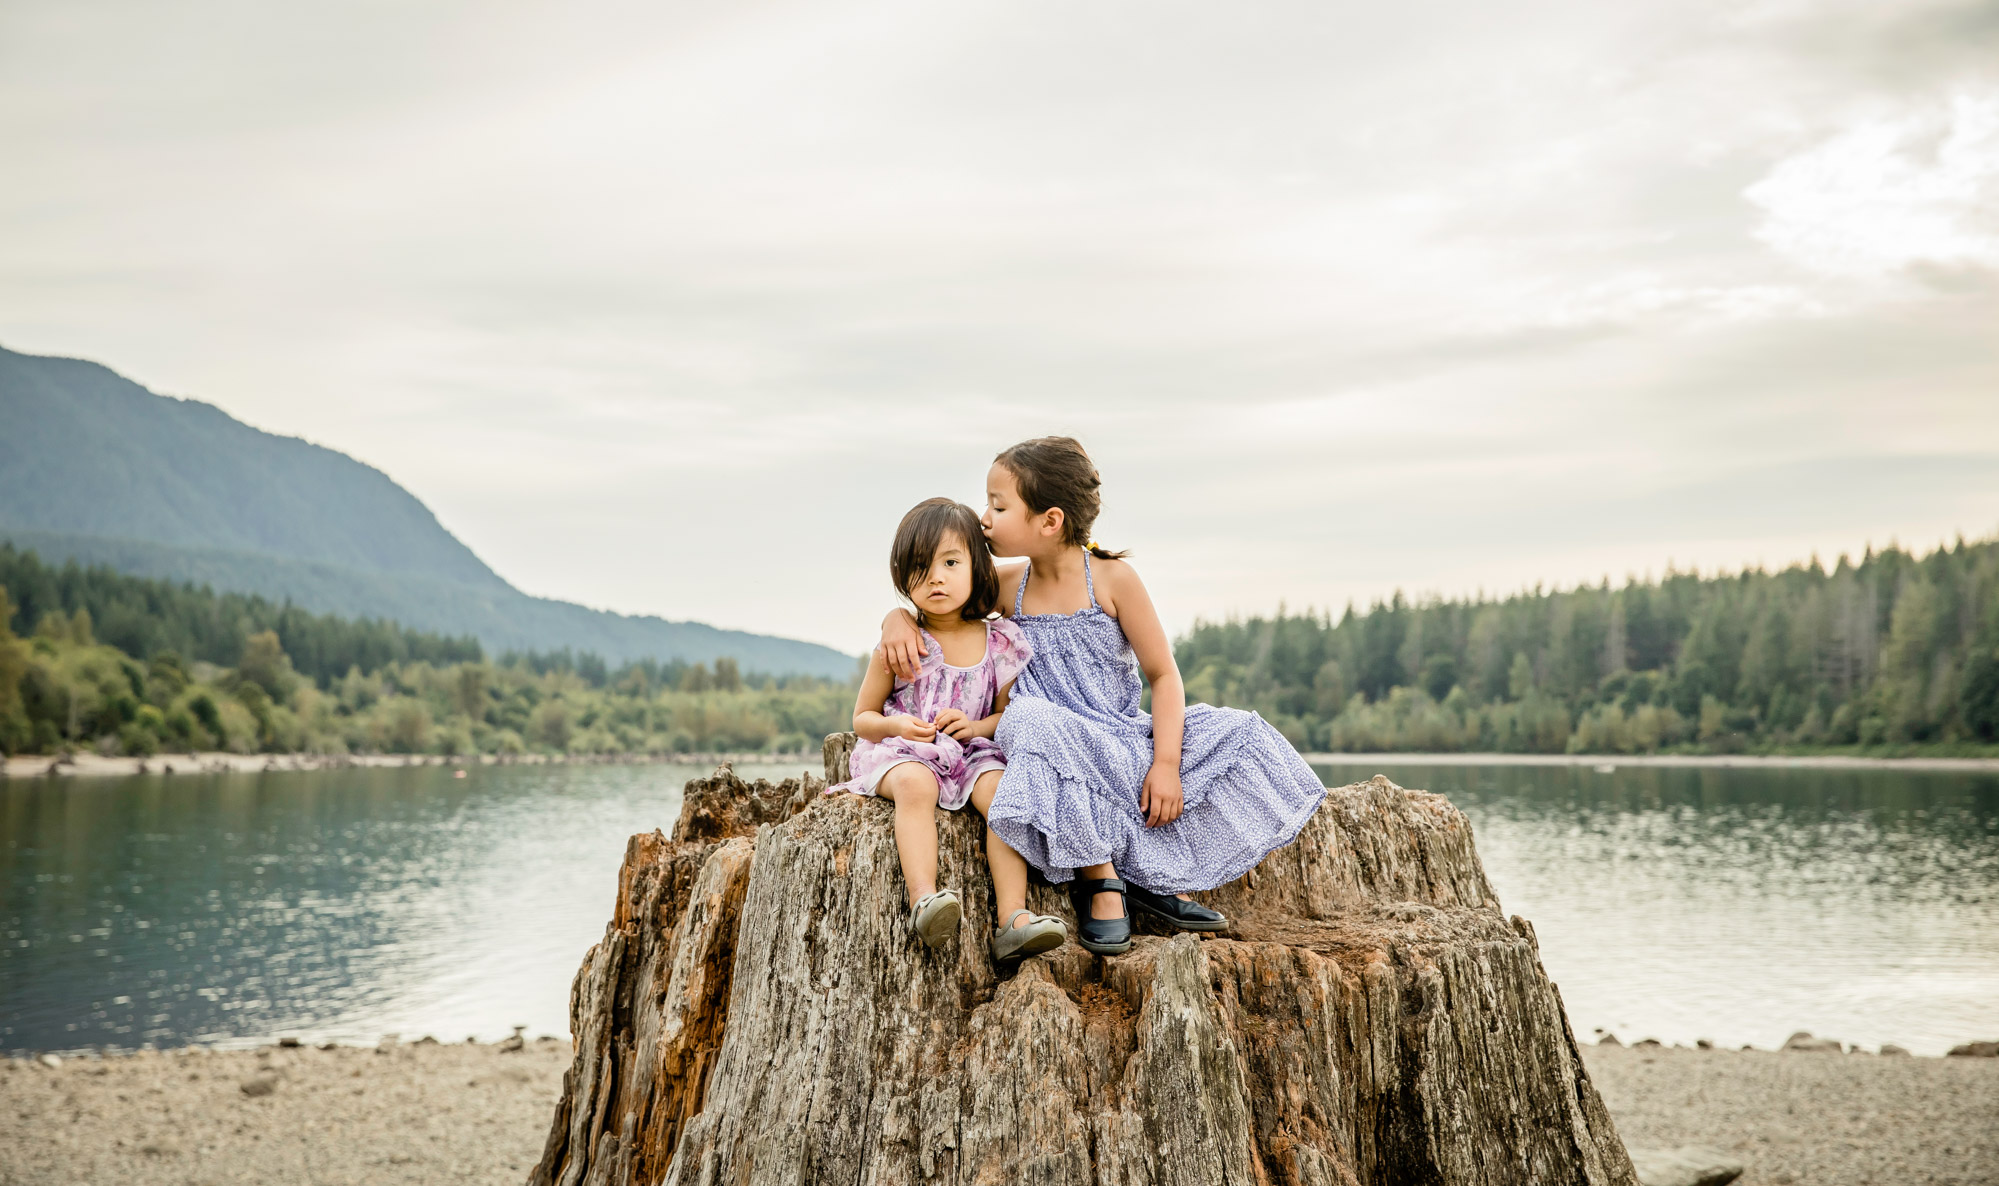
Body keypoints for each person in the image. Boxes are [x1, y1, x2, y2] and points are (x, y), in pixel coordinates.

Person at [879, 438, 1327, 955]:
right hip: (1044, 744)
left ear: (1049, 521)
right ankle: (1102, 878)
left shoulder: (1112, 580)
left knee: (1239, 733)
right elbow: (938, 605)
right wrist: (895, 619)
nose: (984, 519)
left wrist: (1166, 763)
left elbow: (1163, 675)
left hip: (1114, 734)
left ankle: (1148, 878)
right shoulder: (1005, 585)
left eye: (999, 507)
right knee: (1029, 719)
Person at [831, 496, 1068, 963]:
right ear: (903, 577)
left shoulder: (1000, 641)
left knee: (1004, 795)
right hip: (908, 751)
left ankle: (1013, 919)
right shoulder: (901, 644)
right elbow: (863, 717)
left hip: (971, 752)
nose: (935, 577)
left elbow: (1009, 717)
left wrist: (977, 725)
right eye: (920, 567)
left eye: (951, 562)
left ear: (978, 567)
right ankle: (926, 899)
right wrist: (897, 723)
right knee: (915, 786)